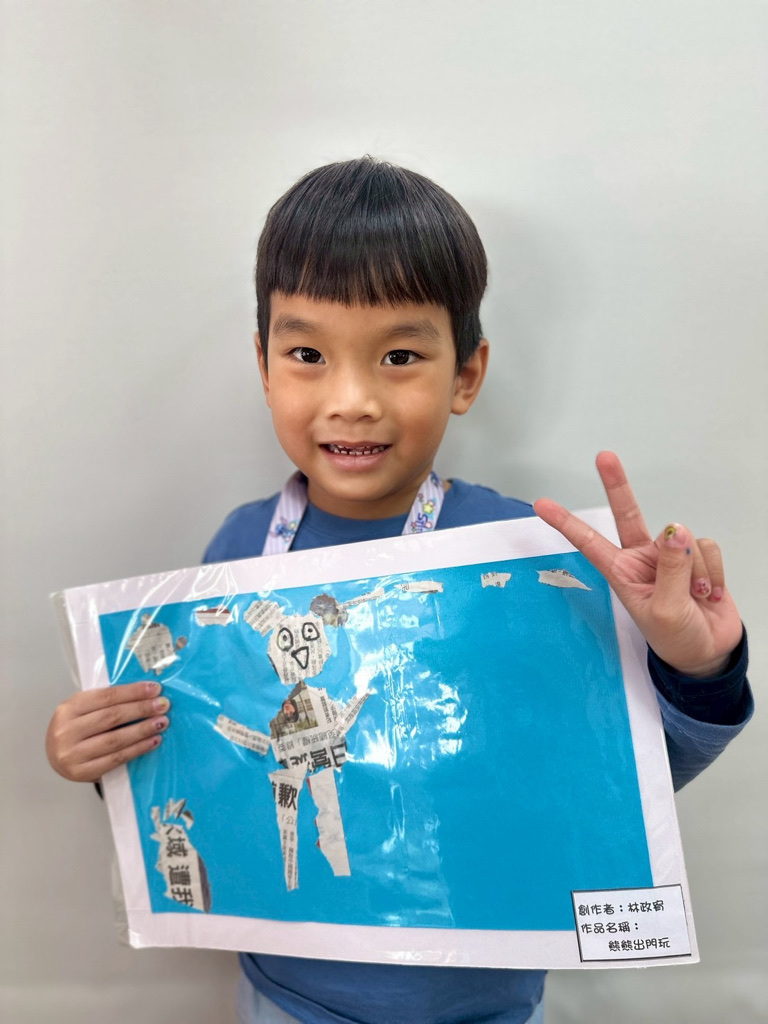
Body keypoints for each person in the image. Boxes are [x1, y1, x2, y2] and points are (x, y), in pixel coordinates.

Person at [46, 157, 752, 1024]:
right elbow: (209, 767)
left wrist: (696, 667)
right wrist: (104, 755)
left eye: (400, 356)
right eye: (308, 354)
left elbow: (607, 784)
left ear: (466, 374)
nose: (352, 400)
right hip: (286, 999)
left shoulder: (522, 558)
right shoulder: (237, 553)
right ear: (263, 364)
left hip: (480, 1005)